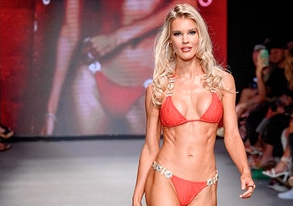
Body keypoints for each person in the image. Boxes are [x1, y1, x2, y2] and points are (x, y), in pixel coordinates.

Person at [129, 4, 255, 206]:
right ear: (169, 40)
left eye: (191, 32)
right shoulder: (158, 87)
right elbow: (149, 146)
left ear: (201, 36)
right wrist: (136, 198)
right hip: (165, 180)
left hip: (205, 185)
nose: (185, 40)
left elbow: (232, 135)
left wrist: (245, 170)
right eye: (178, 34)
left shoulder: (223, 82)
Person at [41, 0, 195, 136]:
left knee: (153, 164)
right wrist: (50, 111)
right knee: (89, 160)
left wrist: (118, 37)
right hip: (95, 74)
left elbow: (186, 7)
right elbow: (69, 32)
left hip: (149, 82)